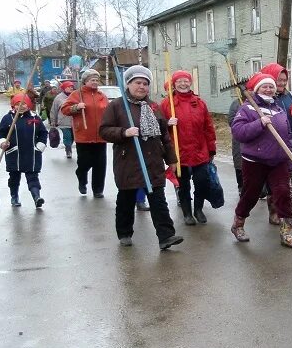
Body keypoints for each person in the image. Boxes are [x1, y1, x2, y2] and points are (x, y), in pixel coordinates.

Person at [99, 65, 183, 251]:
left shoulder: (153, 107)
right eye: (137, 83)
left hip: (153, 161)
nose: (142, 87)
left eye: (145, 83)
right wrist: (124, 132)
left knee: (158, 200)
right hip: (128, 161)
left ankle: (166, 236)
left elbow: (164, 135)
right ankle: (124, 233)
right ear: (128, 84)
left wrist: (171, 159)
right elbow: (104, 131)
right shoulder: (117, 106)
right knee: (126, 200)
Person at [230, 73, 292, 248]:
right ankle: (238, 224)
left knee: (283, 192)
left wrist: (290, 162)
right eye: (265, 86)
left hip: (278, 160)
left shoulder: (279, 110)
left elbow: (287, 137)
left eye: (271, 86)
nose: (268, 89)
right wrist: (259, 123)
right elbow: (238, 132)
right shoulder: (247, 108)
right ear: (257, 89)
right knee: (251, 194)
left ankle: (286, 233)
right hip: (254, 160)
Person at [161, 70, 217, 226]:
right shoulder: (167, 104)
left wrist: (211, 148)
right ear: (174, 84)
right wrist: (167, 123)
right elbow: (158, 127)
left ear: (190, 83)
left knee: (202, 181)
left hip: (200, 151)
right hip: (179, 153)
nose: (183, 84)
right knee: (183, 185)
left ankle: (198, 209)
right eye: (179, 81)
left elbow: (208, 127)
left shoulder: (199, 103)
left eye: (186, 81)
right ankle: (187, 213)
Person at [261, 62, 292, 224]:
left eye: (284, 80)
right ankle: (274, 210)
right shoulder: (265, 99)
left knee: (290, 175)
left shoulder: (288, 96)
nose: (282, 83)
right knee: (275, 179)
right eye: (278, 80)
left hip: (289, 143)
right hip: (273, 145)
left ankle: (284, 206)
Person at [62, 70, 110, 197]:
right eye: (92, 80)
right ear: (85, 81)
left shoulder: (102, 96)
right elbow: (64, 109)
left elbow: (109, 112)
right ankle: (81, 178)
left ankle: (98, 190)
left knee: (100, 164)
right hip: (83, 135)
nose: (95, 82)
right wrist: (76, 107)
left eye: (96, 80)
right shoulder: (77, 94)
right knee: (85, 163)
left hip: (100, 136)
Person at [0, 93, 48, 208]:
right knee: (14, 177)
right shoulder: (8, 118)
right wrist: (3, 142)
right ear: (13, 105)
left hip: (32, 153)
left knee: (33, 176)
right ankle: (14, 197)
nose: (20, 106)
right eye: (17, 104)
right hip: (14, 153)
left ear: (28, 104)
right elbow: (0, 134)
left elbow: (43, 133)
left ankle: (36, 197)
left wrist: (40, 146)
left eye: (23, 103)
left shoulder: (35, 118)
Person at [49, 81, 75, 159]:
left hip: (75, 121)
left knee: (73, 137)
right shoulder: (58, 98)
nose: (71, 88)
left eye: (72, 87)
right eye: (69, 87)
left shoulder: (75, 96)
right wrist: (53, 121)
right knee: (67, 136)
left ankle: (69, 145)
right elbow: (54, 110)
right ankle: (68, 150)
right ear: (64, 88)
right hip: (63, 121)